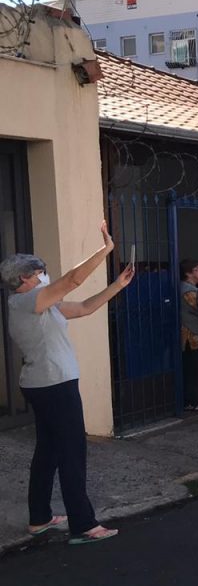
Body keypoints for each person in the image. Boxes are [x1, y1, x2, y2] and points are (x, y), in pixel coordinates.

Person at [1, 221, 133, 545]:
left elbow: (85, 307)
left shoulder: (41, 304)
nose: (43, 276)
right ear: (23, 280)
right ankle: (83, 525)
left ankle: (40, 518)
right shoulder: (25, 302)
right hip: (54, 385)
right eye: (38, 273)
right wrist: (105, 250)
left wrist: (117, 284)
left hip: (45, 383)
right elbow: (73, 279)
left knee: (48, 450)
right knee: (73, 451)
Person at [179, 259, 198, 413]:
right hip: (190, 336)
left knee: (193, 370)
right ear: (188, 273)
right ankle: (192, 401)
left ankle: (192, 400)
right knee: (192, 370)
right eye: (197, 270)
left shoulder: (191, 289)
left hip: (192, 335)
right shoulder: (188, 291)